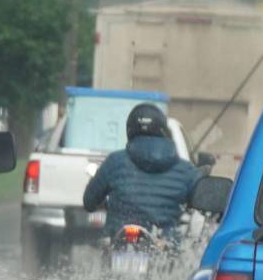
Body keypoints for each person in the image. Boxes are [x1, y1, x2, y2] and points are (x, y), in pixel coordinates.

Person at [82, 103, 200, 243]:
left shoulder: (114, 162)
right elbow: (205, 204)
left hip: (118, 240)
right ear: (163, 130)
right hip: (164, 245)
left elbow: (89, 202)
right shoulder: (185, 170)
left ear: (130, 130)